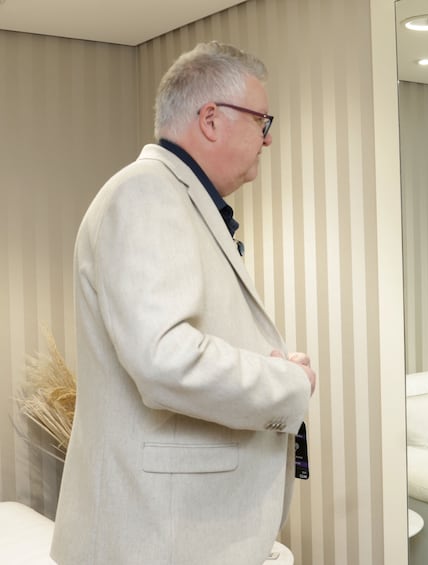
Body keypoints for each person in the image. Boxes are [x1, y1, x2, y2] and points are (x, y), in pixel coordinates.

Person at [51, 41, 317, 565]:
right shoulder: (147, 194)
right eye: (262, 121)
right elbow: (164, 359)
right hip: (158, 535)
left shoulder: (177, 198)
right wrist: (288, 382)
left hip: (171, 528)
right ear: (211, 119)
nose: (268, 139)